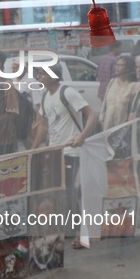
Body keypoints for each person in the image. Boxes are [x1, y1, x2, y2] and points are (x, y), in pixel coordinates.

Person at [32, 63, 97, 249]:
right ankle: (66, 228)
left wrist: (82, 136)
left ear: (54, 76)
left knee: (71, 193)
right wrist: (34, 149)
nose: (39, 77)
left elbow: (91, 115)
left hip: (71, 151)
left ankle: (80, 233)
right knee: (58, 193)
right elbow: (44, 125)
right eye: (38, 74)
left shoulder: (67, 92)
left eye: (42, 74)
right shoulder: (46, 96)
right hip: (55, 151)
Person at [99, 55, 137, 130]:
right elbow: (105, 104)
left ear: (128, 68)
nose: (117, 67)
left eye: (121, 65)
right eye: (116, 65)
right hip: (108, 128)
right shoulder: (112, 82)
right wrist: (102, 119)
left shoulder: (133, 85)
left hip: (123, 129)